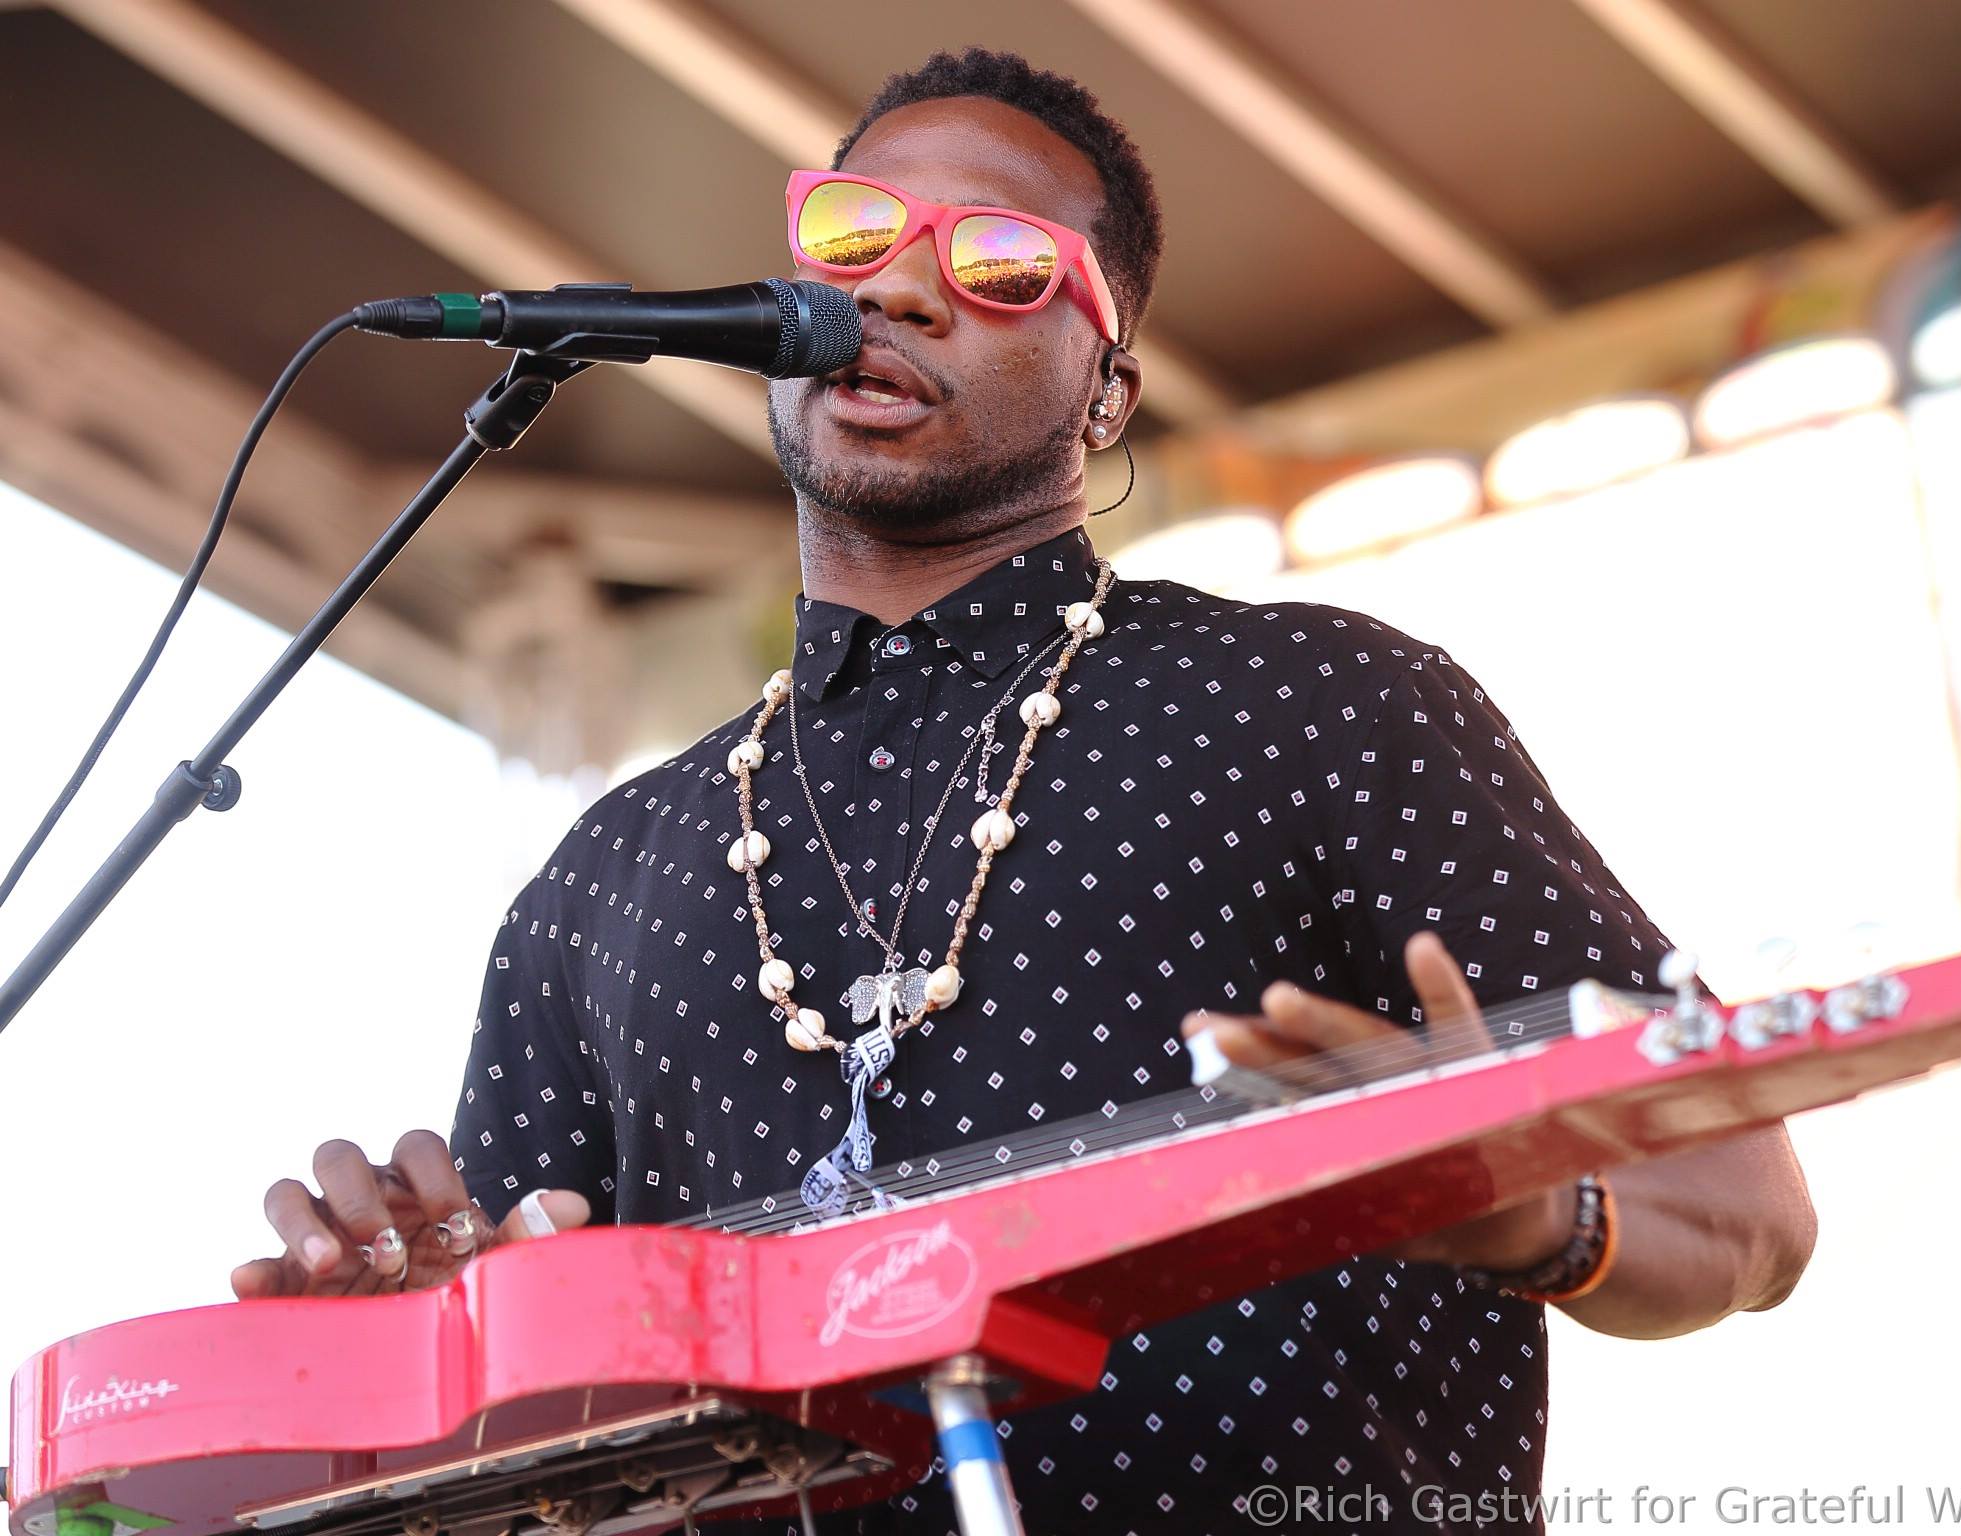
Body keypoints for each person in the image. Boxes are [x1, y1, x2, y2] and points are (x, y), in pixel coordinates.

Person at [232, 48, 1816, 1535]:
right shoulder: (599, 876)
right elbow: (523, 1454)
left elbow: (1740, 1196)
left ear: (1105, 392)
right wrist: (404, 1366)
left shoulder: (1319, 702)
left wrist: (1532, 1216)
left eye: (997, 263)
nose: (904, 284)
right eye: (857, 231)